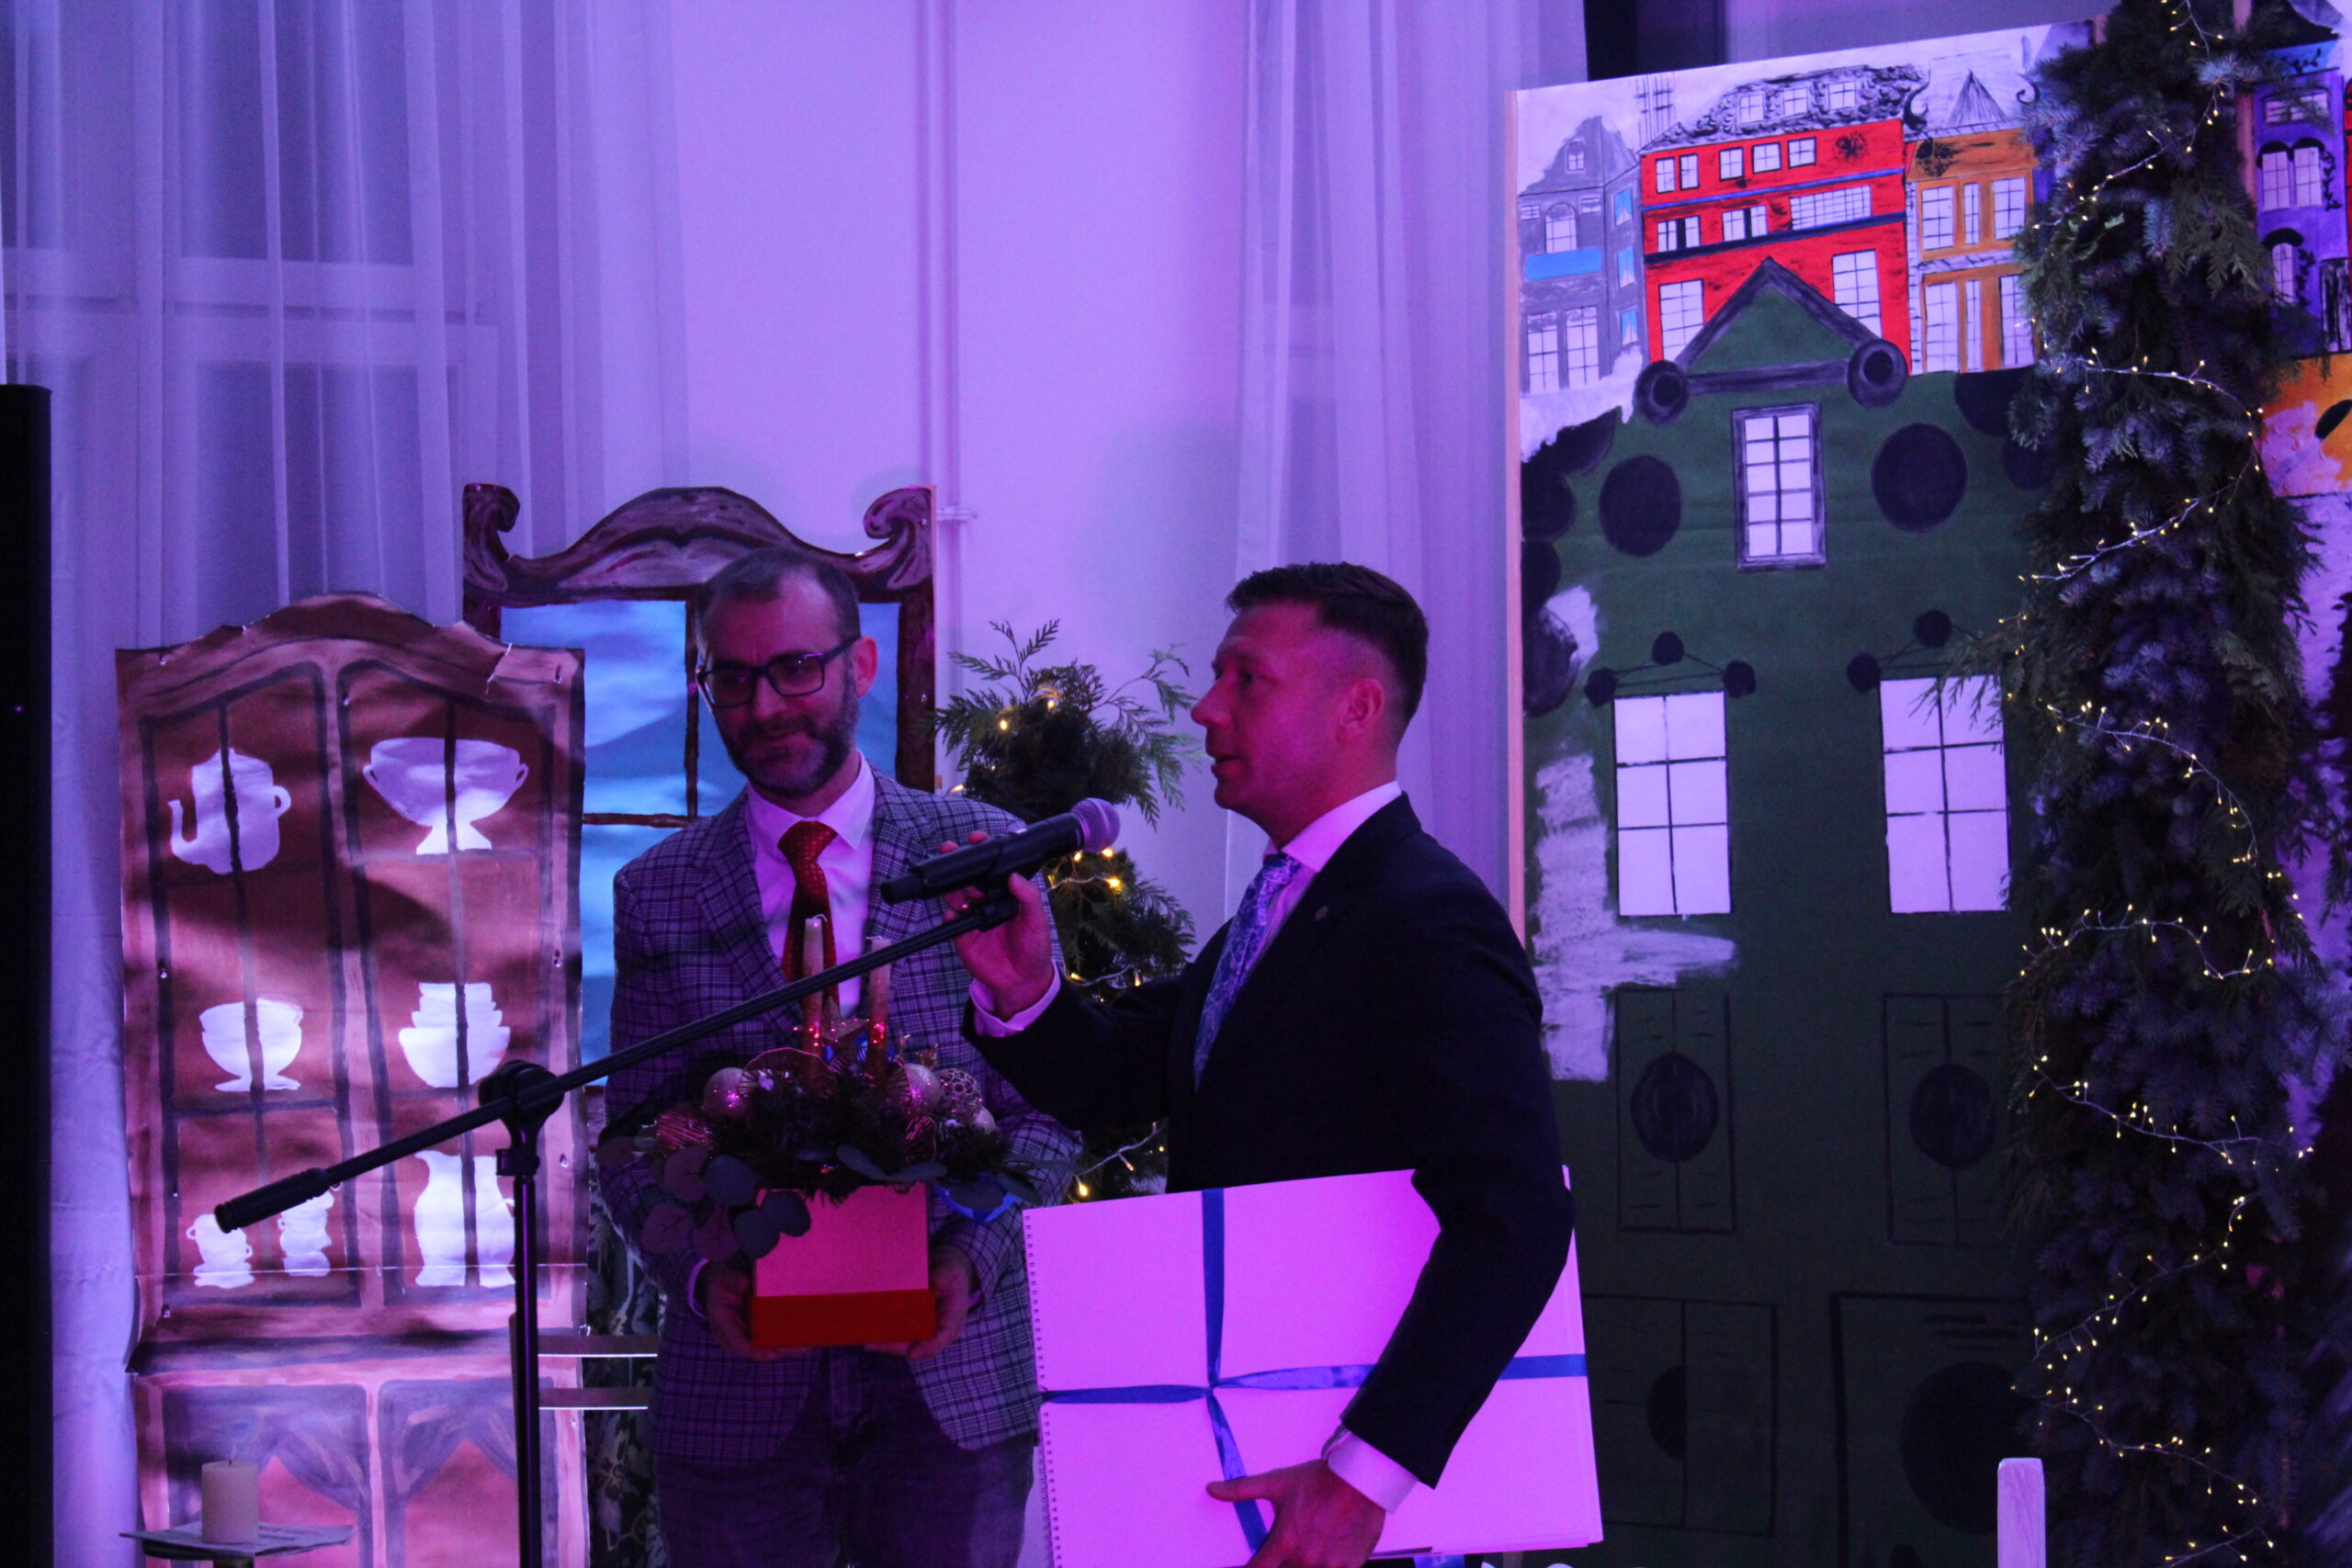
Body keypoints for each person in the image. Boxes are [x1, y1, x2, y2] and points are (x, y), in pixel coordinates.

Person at [951, 562, 1576, 1568]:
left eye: (1247, 679)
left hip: (1341, 1485)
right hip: (1256, 1443)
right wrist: (1025, 991)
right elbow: (1124, 1078)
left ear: (1355, 708)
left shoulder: (1426, 916)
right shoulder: (1293, 900)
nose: (1206, 709)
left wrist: (1365, 1477)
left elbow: (1516, 1215)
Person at [597, 547, 1078, 1568]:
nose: (764, 706)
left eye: (794, 669)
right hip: (739, 1391)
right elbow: (633, 1139)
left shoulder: (979, 853)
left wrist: (972, 1261)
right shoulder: (658, 890)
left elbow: (1048, 1110)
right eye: (732, 678)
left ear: (860, 664)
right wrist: (701, 1277)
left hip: (949, 1385)